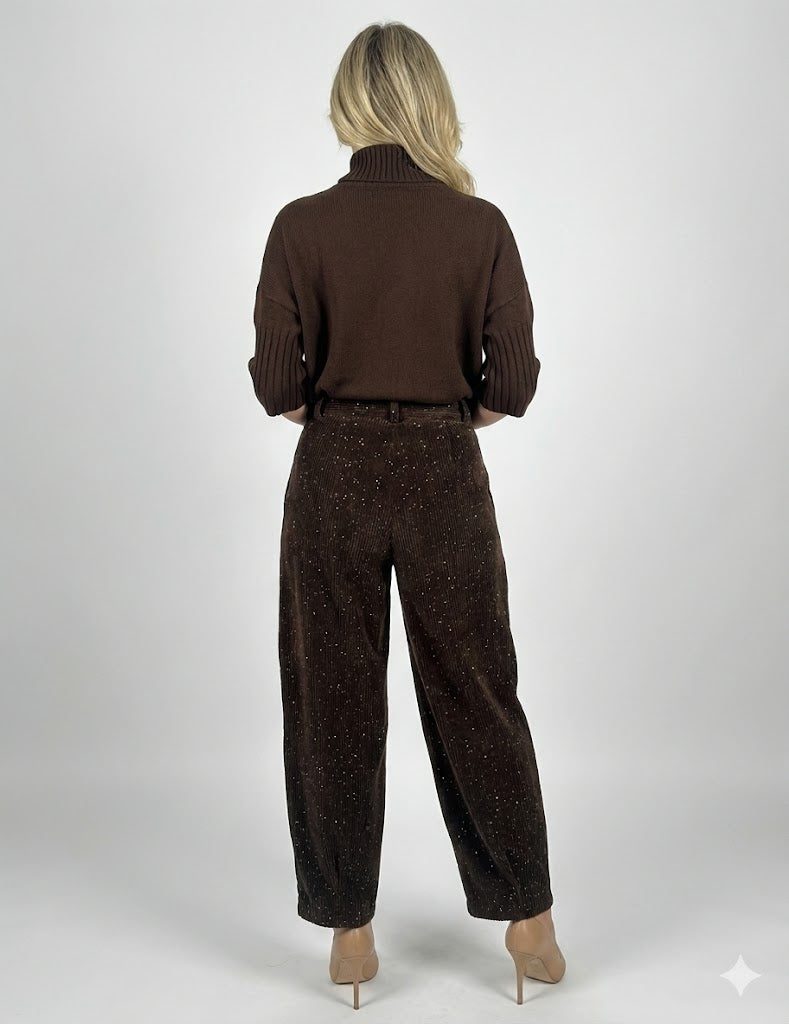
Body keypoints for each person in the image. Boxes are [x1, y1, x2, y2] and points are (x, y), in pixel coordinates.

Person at [248, 20, 566, 1009]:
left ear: (350, 103)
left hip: (333, 471)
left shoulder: (300, 226)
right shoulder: (481, 227)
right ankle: (529, 922)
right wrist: (444, 414)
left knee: (333, 701)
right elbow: (513, 383)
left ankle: (349, 933)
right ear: (431, 101)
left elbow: (277, 387)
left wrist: (342, 407)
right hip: (444, 471)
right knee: (478, 691)